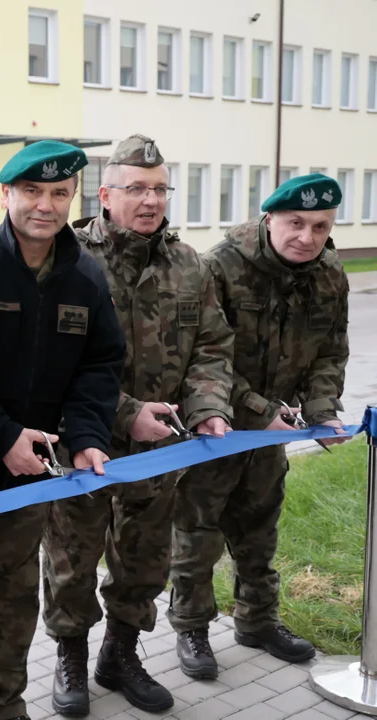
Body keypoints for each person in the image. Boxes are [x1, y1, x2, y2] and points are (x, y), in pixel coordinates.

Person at [0, 141, 125, 720]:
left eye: (59, 193)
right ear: (5, 194)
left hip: (30, 481)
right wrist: (1, 435)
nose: (46, 205)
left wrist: (86, 435)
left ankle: (4, 706)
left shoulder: (85, 274)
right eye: (32, 192)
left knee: (12, 607)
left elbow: (100, 363)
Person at [40, 135, 235, 716]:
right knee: (71, 559)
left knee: (144, 558)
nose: (150, 201)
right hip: (83, 443)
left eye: (159, 189)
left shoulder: (188, 264)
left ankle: (120, 653)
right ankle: (71, 656)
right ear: (104, 194)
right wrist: (127, 413)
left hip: (161, 452)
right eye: (136, 189)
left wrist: (207, 407)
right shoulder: (66, 258)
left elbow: (212, 346)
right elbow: (49, 362)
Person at [169, 173, 351, 674]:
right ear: (269, 219)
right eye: (295, 223)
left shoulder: (331, 274)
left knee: (259, 527)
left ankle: (257, 621)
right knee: (198, 533)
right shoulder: (219, 268)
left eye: (320, 226)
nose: (307, 237)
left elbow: (330, 353)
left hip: (271, 434)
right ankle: (192, 629)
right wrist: (258, 409)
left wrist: (322, 410)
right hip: (215, 428)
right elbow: (200, 358)